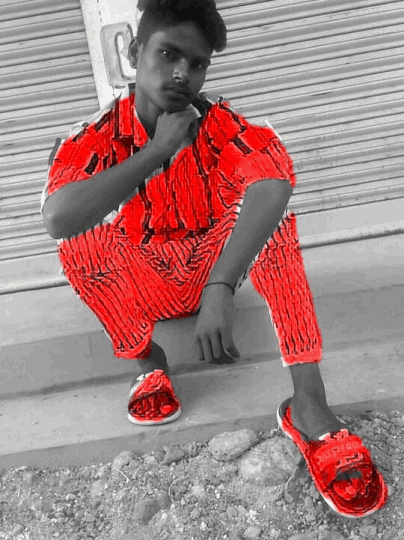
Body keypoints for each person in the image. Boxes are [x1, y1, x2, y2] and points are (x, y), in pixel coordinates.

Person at [40, 0, 387, 518]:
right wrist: (157, 150)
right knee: (79, 237)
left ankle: (309, 404)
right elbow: (58, 219)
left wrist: (221, 285)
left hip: (208, 271)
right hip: (143, 282)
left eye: (197, 63)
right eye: (168, 54)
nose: (183, 73)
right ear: (134, 53)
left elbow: (273, 183)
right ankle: (148, 363)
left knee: (274, 217)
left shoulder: (217, 121)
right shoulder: (95, 134)